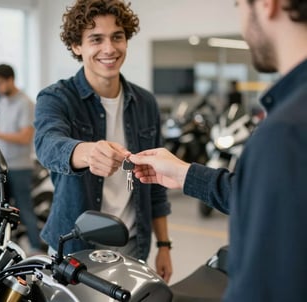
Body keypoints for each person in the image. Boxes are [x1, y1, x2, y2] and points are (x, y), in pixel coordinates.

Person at [129, 0, 307, 300]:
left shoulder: (285, 132)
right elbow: (258, 197)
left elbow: (265, 287)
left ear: (267, 4)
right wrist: (185, 174)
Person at [34, 0, 172, 282]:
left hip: (133, 245)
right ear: (77, 46)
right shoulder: (57, 98)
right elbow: (48, 144)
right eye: (96, 39)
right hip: (74, 247)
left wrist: (164, 245)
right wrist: (86, 152)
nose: (109, 49)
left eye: (117, 37)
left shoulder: (145, 103)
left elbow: (155, 185)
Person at [0, 64, 42, 254]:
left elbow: (25, 137)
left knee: (24, 208)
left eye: (0, 82)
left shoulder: (25, 103)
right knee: (0, 208)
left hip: (19, 165)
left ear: (10, 79)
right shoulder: (3, 101)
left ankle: (36, 248)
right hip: (2, 164)